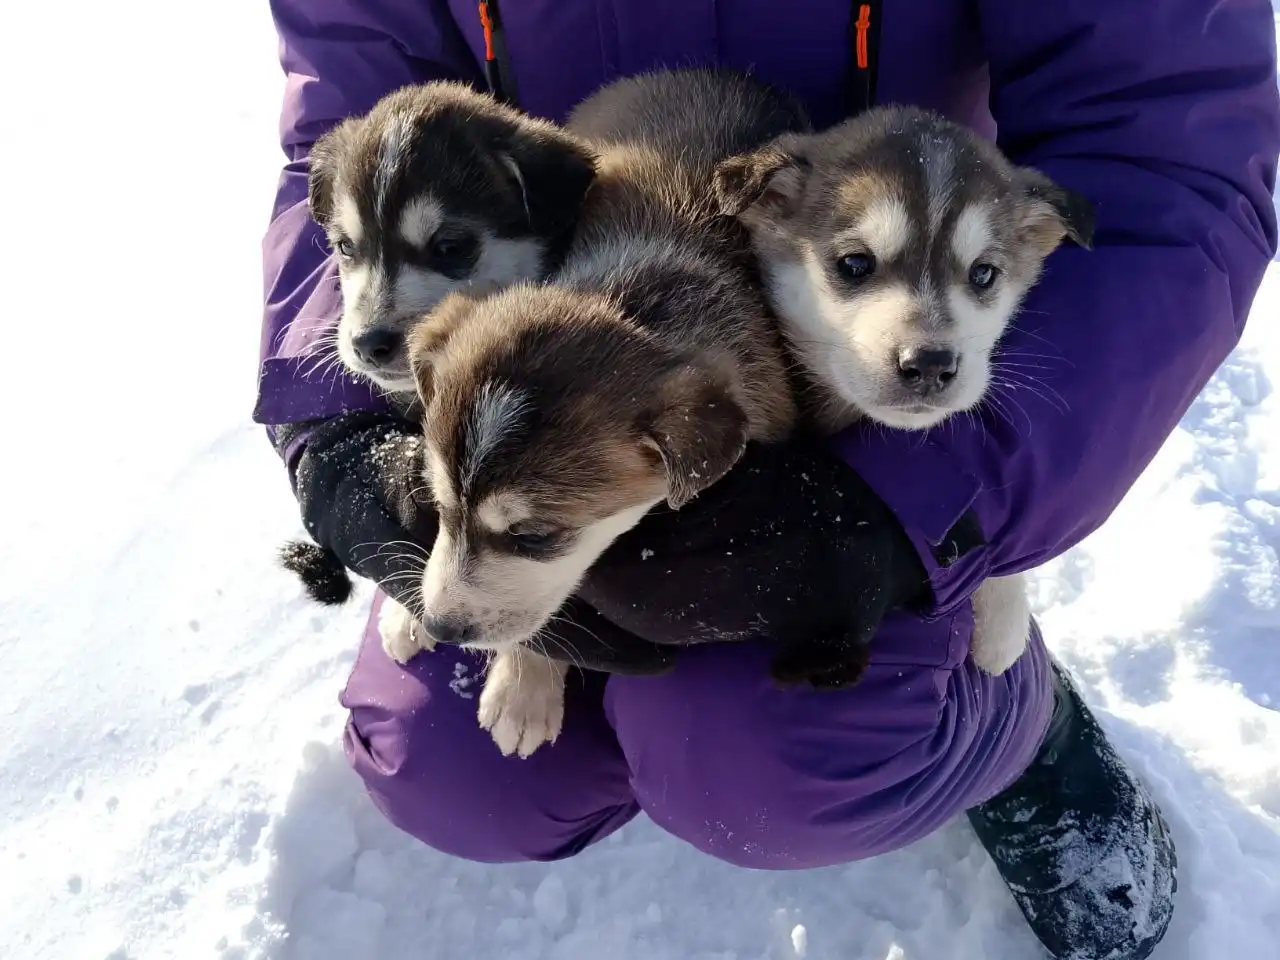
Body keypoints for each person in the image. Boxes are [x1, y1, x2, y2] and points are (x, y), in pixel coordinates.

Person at [255, 1, 1280, 956]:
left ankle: (1004, 721)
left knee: (774, 759)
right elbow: (351, 139)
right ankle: (630, 677)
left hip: (860, 368)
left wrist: (928, 514)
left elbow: (1164, 149)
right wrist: (339, 431)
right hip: (561, 372)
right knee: (449, 770)